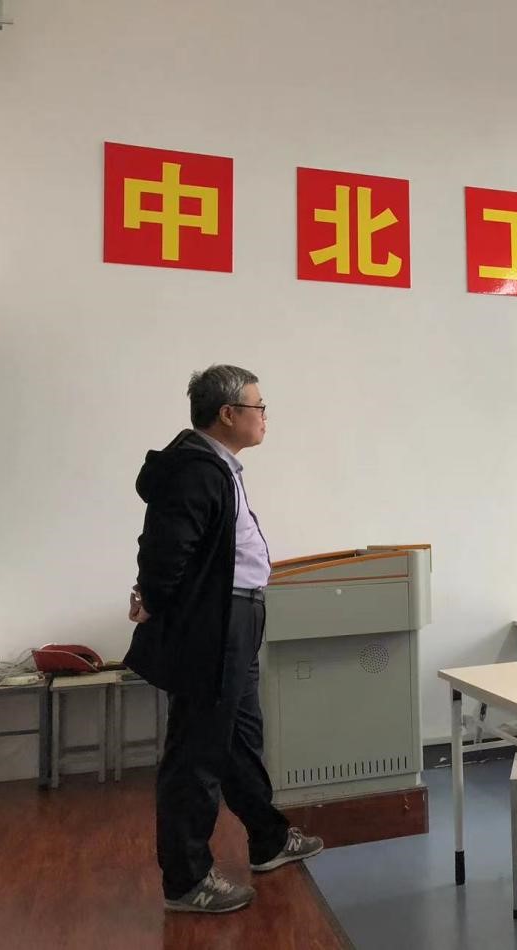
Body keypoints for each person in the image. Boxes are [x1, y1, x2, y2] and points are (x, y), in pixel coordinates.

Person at [125, 365, 322, 914]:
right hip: (213, 627)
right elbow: (164, 549)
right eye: (259, 407)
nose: (265, 417)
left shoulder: (216, 466)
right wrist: (153, 599)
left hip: (237, 619)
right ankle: (187, 880)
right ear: (228, 413)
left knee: (238, 739)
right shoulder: (196, 469)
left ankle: (268, 838)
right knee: (197, 753)